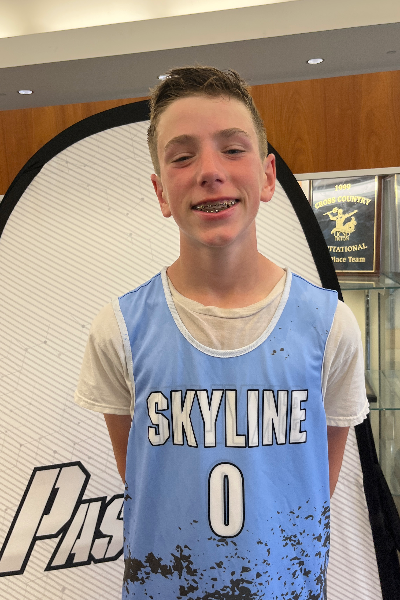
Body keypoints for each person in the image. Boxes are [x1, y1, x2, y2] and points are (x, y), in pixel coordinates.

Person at [75, 66, 368, 599]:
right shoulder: (118, 330)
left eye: (233, 149)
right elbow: (143, 482)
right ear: (161, 192)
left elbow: (313, 488)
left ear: (267, 175)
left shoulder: (330, 326)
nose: (210, 171)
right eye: (182, 156)